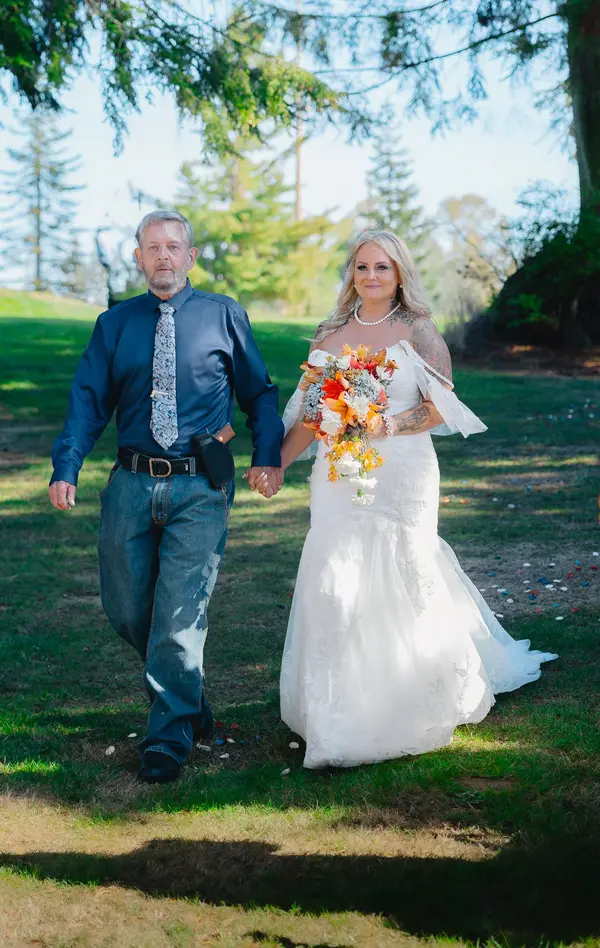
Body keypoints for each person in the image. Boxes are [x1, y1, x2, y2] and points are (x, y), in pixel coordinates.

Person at [278, 230, 557, 769]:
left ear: (399, 272)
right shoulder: (330, 333)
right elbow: (313, 414)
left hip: (402, 473)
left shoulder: (418, 329)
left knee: (406, 568)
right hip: (338, 476)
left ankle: (416, 690)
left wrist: (381, 423)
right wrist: (277, 464)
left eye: (382, 267)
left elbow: (439, 406)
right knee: (335, 579)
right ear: (351, 273)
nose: (371, 276)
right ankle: (337, 709)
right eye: (362, 267)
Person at [49, 210, 283, 784]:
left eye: (173, 247)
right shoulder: (114, 324)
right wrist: (67, 466)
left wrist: (267, 455)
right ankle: (189, 699)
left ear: (191, 256)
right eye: (152, 247)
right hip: (130, 484)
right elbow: (87, 401)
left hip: (200, 487)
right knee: (128, 610)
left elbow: (260, 393)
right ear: (138, 257)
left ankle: (167, 737)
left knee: (179, 616)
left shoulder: (224, 315)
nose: (163, 256)